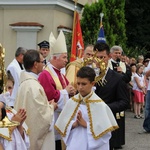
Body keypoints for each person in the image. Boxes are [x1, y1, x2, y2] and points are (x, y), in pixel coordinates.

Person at [55, 66, 118, 150]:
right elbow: (63, 125)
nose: (80, 87)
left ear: (92, 83)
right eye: (78, 83)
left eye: (84, 84)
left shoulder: (100, 105)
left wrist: (86, 125)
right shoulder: (72, 102)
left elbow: (106, 133)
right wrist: (73, 124)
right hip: (75, 142)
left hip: (93, 145)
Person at [38, 30, 75, 150]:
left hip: (60, 117)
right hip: (53, 117)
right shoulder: (46, 74)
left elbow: (67, 87)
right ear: (54, 57)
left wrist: (72, 91)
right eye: (64, 57)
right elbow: (49, 97)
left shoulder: (59, 73)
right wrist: (66, 92)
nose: (66, 60)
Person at [14, 50, 57, 150]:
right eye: (42, 62)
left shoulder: (26, 83)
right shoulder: (33, 86)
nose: (44, 64)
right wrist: (52, 107)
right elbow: (42, 117)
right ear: (35, 64)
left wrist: (47, 105)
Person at [94, 42, 129, 150]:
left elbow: (124, 102)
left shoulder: (117, 78)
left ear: (108, 57)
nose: (100, 60)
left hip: (107, 124)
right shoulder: (88, 76)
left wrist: (106, 107)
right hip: (89, 124)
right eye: (97, 57)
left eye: (103, 57)